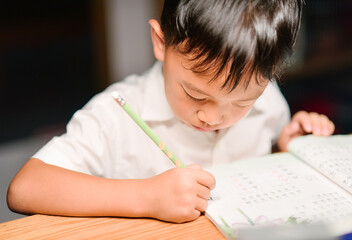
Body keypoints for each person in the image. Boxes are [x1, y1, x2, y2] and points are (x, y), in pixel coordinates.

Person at [7, 0, 334, 223]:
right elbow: (25, 188)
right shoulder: (117, 113)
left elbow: (260, 159)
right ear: (160, 42)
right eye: (195, 94)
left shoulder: (267, 100)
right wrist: (146, 197)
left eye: (240, 104)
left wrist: (286, 147)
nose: (213, 117)